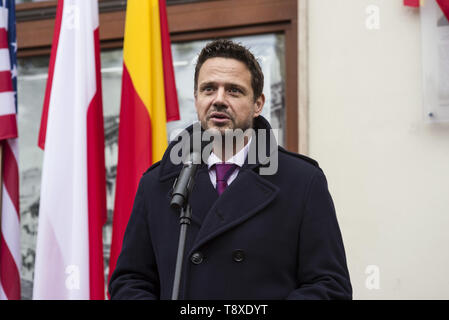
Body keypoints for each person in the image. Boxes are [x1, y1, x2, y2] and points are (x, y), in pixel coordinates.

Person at [108, 39, 352, 300]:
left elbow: (330, 286)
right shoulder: (158, 184)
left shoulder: (302, 182)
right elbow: (130, 282)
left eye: (234, 91)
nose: (219, 100)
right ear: (196, 98)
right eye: (209, 89)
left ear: (258, 104)